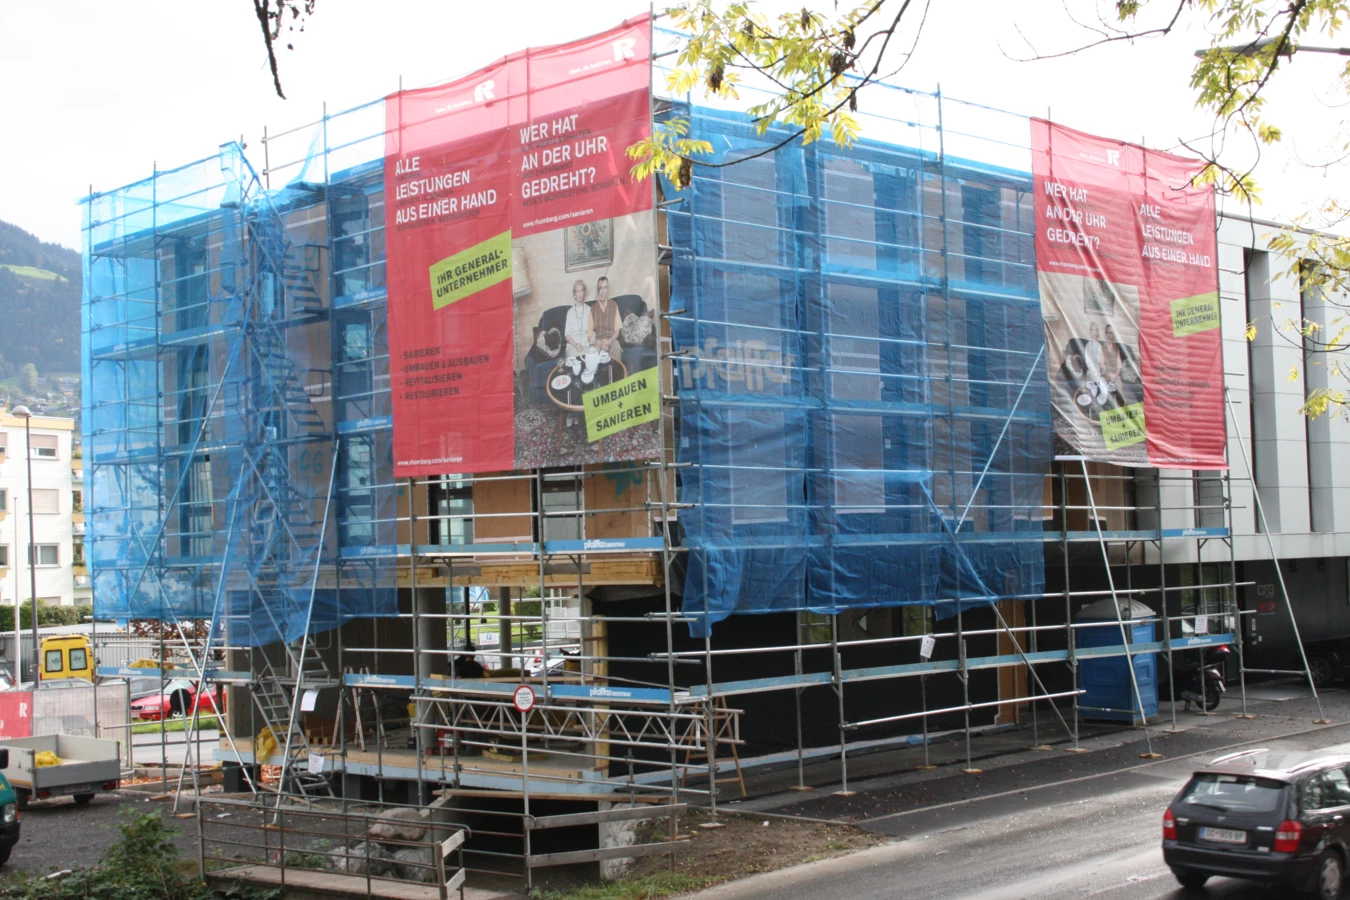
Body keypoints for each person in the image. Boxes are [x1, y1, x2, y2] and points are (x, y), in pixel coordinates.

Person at [588, 275, 622, 354]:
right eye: (600, 288)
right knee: (594, 352)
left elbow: (617, 330)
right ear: (597, 290)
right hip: (598, 342)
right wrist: (599, 343)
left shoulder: (614, 305)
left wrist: (609, 341)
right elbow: (589, 334)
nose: (602, 291)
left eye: (605, 288)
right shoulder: (592, 309)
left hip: (611, 340)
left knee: (616, 348)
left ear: (608, 289)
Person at [563, 279, 590, 359]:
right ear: (574, 294)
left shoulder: (589, 310)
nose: (580, 294)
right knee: (574, 361)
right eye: (577, 291)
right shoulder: (570, 312)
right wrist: (575, 344)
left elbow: (592, 330)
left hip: (586, 346)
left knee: (589, 359)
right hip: (573, 346)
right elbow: (567, 335)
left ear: (584, 292)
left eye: (581, 290)